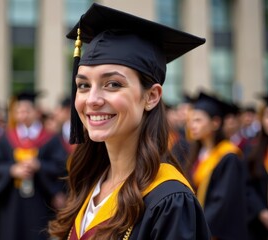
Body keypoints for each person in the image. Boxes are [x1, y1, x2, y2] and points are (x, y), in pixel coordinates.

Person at [49, 3, 210, 240]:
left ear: (151, 96)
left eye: (113, 84)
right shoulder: (90, 182)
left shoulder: (169, 200)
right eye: (83, 85)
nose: (92, 99)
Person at [0, 91, 55, 240]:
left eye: (27, 110)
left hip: (40, 200)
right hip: (12, 201)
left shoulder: (50, 138)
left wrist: (40, 166)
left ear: (36, 112)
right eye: (19, 111)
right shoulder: (6, 138)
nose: (23, 115)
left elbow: (60, 166)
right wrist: (11, 170)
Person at [186, 91, 248, 240]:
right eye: (191, 120)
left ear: (215, 123)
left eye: (198, 120)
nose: (191, 125)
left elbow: (222, 203)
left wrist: (198, 228)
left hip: (215, 232)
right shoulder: (196, 154)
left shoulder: (228, 156)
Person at [245, 94, 268, 240]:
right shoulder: (253, 151)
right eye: (267, 116)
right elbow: (248, 186)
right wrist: (261, 211)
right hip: (260, 226)